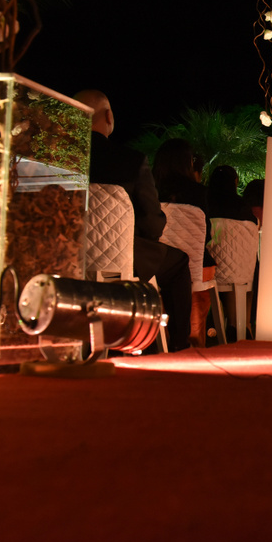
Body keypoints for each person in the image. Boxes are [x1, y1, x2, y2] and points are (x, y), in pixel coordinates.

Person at [74, 90, 192, 352]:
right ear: (109, 116)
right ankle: (179, 347)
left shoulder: (57, 159)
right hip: (121, 254)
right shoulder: (130, 161)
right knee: (180, 262)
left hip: (66, 254)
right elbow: (152, 224)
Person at [152, 138, 214, 348]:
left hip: (153, 264)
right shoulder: (199, 193)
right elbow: (207, 236)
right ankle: (196, 338)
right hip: (192, 266)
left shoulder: (151, 190)